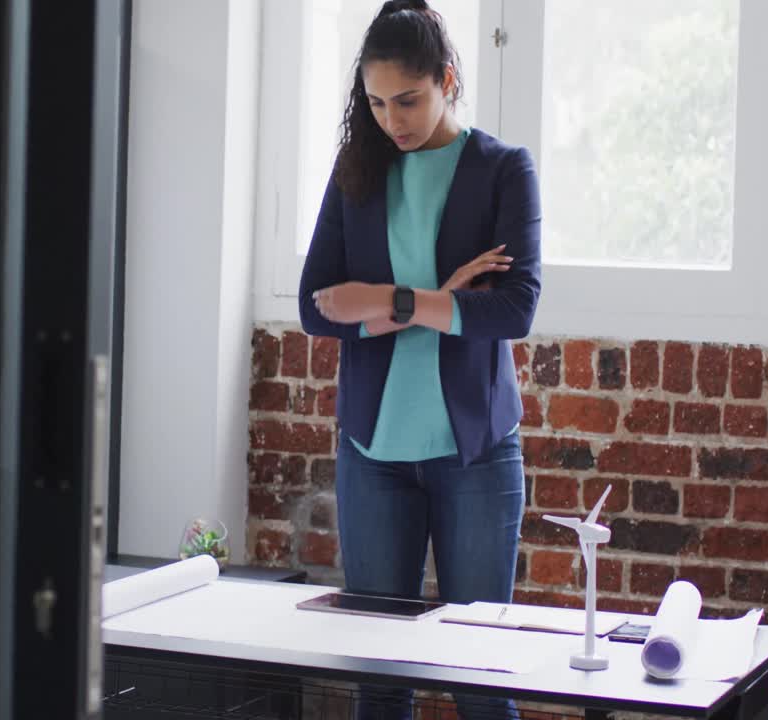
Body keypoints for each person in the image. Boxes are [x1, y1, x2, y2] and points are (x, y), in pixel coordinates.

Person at [298, 1, 541, 718]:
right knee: (380, 682)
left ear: (448, 79)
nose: (391, 120)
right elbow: (317, 307)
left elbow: (513, 310)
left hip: (475, 454)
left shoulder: (503, 170)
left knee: (479, 681)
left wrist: (384, 301)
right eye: (375, 103)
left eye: (407, 99)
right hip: (372, 451)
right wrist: (435, 300)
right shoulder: (358, 171)